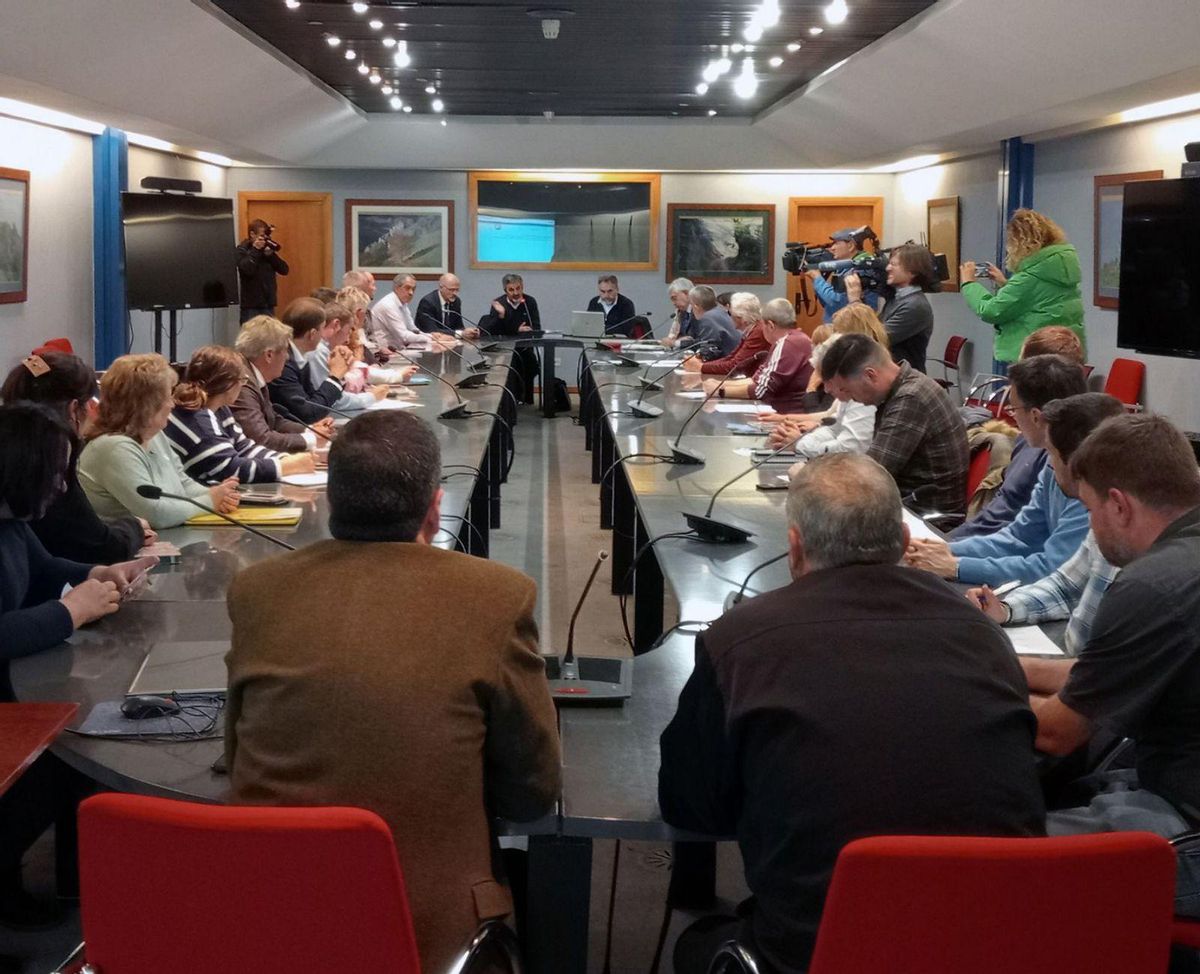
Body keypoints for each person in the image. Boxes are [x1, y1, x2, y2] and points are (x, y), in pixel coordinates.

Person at [659, 452, 1045, 974]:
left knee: (696, 941)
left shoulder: (738, 641)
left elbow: (689, 807)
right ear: (906, 545)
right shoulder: (983, 633)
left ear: (794, 548)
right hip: (993, 945)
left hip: (817, 953)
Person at [225, 411, 561, 972]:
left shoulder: (256, 589)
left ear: (331, 501)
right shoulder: (497, 597)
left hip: (269, 916)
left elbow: (235, 757)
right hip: (427, 932)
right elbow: (532, 791)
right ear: (435, 506)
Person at [1023, 415, 1200, 919]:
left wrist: (959, 689)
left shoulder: (1154, 584)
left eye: (1090, 509)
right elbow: (1104, 671)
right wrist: (1002, 665)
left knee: (994, 856)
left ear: (1119, 505)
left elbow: (1058, 731)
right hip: (1173, 780)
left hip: (1186, 820)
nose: (1092, 530)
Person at [0, 402, 156, 936]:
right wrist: (73, 610)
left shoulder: (12, 522)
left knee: (75, 754)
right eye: (56, 473)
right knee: (69, 759)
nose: (63, 488)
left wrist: (101, 572)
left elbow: (44, 568)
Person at [965, 393, 1125, 657]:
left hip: (1084, 675)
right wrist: (1006, 608)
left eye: (1050, 452)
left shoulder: (1106, 515)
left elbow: (1107, 673)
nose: (1048, 462)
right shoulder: (1102, 509)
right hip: (1073, 663)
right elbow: (1064, 586)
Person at [906, 355, 1089, 585]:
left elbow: (1053, 568)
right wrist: (946, 550)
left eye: (1013, 409)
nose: (1012, 418)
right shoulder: (1053, 461)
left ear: (1035, 416)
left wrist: (957, 566)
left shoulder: (1086, 477)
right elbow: (1017, 537)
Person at [0, 352, 151, 563]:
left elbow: (44, 562)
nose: (60, 486)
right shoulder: (48, 460)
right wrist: (133, 527)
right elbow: (99, 547)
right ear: (74, 409)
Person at [949, 325, 1086, 540]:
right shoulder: (1036, 444)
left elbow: (1033, 549)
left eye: (1014, 408)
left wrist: (951, 554)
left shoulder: (1068, 463)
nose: (1010, 415)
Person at [80, 354, 240, 529]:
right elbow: (156, 514)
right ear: (148, 404)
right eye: (168, 397)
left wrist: (220, 494)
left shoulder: (155, 435)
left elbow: (182, 485)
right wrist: (210, 500)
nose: (172, 404)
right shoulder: (112, 448)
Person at [818, 333, 969, 512]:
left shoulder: (911, 398)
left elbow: (869, 475)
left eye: (846, 389)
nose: (849, 398)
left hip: (923, 517)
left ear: (870, 375)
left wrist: (810, 478)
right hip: (904, 504)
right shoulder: (900, 390)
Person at [960, 209, 1084, 375]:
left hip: (1034, 357)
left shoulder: (1029, 277)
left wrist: (969, 284)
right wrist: (1006, 284)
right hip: (1063, 353)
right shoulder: (1060, 267)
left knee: (1030, 399)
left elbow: (991, 311)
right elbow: (1039, 299)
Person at [166, 345, 314, 484]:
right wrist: (285, 466)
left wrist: (287, 459)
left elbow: (244, 447)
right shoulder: (198, 419)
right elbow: (230, 469)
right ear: (228, 385)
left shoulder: (220, 409)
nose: (242, 385)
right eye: (242, 380)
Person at [766, 304, 885, 452]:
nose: (832, 337)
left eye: (836, 331)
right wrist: (790, 427)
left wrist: (800, 443)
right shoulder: (850, 381)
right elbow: (833, 425)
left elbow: (851, 448)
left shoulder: (862, 386)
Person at [272, 296, 385, 418]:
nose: (323, 338)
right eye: (322, 328)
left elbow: (313, 401)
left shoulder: (299, 357)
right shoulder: (284, 362)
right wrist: (335, 377)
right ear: (312, 334)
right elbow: (307, 412)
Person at [701, 298, 813, 413]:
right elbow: (757, 380)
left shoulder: (787, 343)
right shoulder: (794, 339)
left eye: (762, 325)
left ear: (770, 325)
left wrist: (721, 390)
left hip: (787, 415)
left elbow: (761, 390)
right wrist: (721, 383)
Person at [232, 316, 323, 455]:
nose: (287, 357)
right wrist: (310, 440)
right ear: (269, 355)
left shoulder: (253, 373)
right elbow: (261, 439)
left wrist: (309, 430)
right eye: (285, 350)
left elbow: (273, 420)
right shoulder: (242, 383)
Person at [845, 243, 939, 373]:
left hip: (904, 380)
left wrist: (854, 301)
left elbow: (873, 338)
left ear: (912, 271)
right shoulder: (897, 299)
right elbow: (873, 325)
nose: (887, 268)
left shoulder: (915, 306)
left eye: (893, 264)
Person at [479, 274, 541, 404]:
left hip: (524, 346)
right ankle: (509, 400)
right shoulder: (498, 303)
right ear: (505, 291)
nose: (516, 293)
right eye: (511, 290)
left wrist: (513, 326)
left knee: (530, 363)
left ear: (522, 287)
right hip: (503, 348)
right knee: (509, 365)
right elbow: (493, 330)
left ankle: (526, 399)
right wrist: (503, 316)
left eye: (519, 288)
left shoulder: (529, 302)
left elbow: (535, 327)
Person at [682, 292, 769, 376]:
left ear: (741, 318)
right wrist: (702, 365)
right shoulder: (752, 329)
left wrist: (701, 367)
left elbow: (734, 366)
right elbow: (730, 358)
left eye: (731, 314)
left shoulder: (758, 332)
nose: (729, 317)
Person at [805, 227, 881, 323]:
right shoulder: (844, 267)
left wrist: (818, 279)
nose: (832, 248)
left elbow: (838, 302)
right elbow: (828, 304)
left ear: (850, 245)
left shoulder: (862, 267)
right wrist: (816, 279)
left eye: (836, 243)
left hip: (852, 327)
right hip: (839, 326)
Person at [371, 273, 455, 352]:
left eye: (413, 289)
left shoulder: (403, 304)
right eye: (407, 288)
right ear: (396, 288)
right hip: (385, 354)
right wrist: (433, 339)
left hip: (399, 350)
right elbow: (404, 336)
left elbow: (413, 330)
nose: (411, 293)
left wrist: (432, 335)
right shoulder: (388, 305)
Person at [236, 218, 289, 323]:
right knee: (251, 338)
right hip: (251, 306)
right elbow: (247, 269)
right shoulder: (242, 250)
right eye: (262, 235)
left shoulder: (267, 250)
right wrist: (256, 250)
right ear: (252, 234)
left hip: (268, 304)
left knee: (270, 336)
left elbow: (284, 270)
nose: (265, 239)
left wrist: (271, 256)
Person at [681, 285, 740, 359]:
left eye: (691, 305)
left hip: (729, 364)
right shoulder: (719, 312)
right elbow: (705, 343)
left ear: (696, 306)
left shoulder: (708, 318)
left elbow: (709, 351)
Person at [415, 273, 478, 338]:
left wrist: (469, 332)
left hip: (449, 342)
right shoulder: (428, 302)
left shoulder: (456, 301)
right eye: (451, 290)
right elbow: (432, 331)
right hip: (427, 342)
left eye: (457, 290)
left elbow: (458, 327)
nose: (455, 293)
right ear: (441, 287)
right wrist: (461, 333)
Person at [660, 277, 695, 348]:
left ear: (687, 294)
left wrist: (675, 342)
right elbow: (673, 334)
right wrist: (669, 340)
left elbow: (696, 339)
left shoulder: (699, 311)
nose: (673, 303)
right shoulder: (679, 312)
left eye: (674, 298)